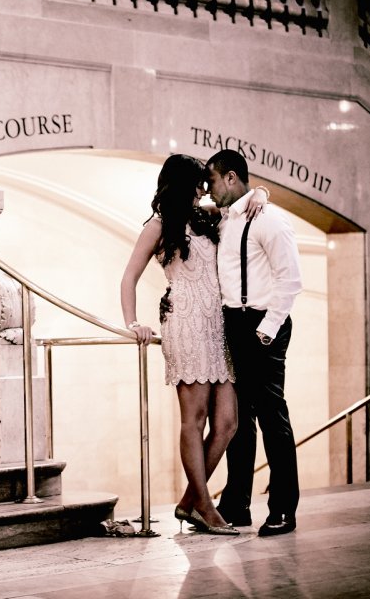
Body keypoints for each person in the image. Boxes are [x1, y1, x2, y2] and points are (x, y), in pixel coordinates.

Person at [120, 154, 265, 535]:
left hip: (217, 325)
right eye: (198, 183)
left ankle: (189, 502)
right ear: (182, 185)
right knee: (194, 419)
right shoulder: (157, 225)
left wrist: (261, 192)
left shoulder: (206, 217)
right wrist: (133, 323)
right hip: (184, 322)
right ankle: (205, 506)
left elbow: (243, 200)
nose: (204, 190)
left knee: (228, 423)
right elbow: (129, 277)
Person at [205, 149, 303, 537]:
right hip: (234, 323)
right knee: (238, 420)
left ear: (231, 177)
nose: (208, 190)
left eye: (212, 181)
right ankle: (236, 505)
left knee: (272, 418)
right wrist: (259, 190)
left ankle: (283, 509)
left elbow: (290, 279)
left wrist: (267, 329)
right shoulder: (226, 218)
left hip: (263, 324)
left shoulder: (270, 219)